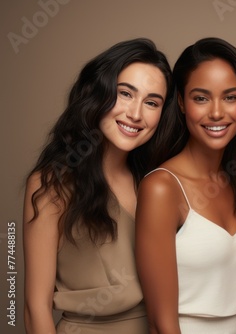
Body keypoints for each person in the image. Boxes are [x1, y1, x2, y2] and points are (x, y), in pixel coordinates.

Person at [23, 38, 173, 334]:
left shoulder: (158, 180)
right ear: (97, 93)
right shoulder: (53, 183)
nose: (136, 113)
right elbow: (34, 308)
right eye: (125, 94)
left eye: (152, 102)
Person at [134, 37, 236, 334]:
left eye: (230, 97)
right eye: (201, 98)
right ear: (181, 102)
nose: (217, 113)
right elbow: (161, 323)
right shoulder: (162, 188)